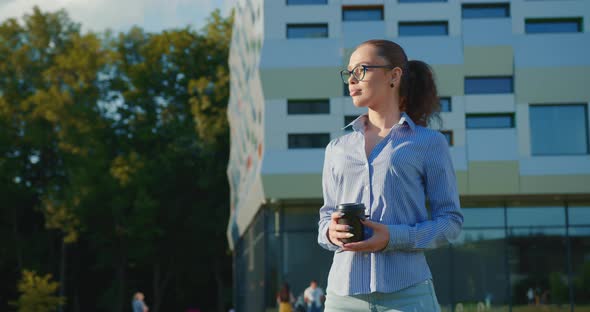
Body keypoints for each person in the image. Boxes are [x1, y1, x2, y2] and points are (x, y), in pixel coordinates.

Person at [317, 39, 464, 311]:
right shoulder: (337, 149)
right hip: (343, 296)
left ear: (394, 76)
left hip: (408, 294)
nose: (351, 79)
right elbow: (325, 217)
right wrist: (330, 231)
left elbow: (450, 222)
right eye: (348, 72)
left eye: (361, 70)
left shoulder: (429, 143)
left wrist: (394, 237)